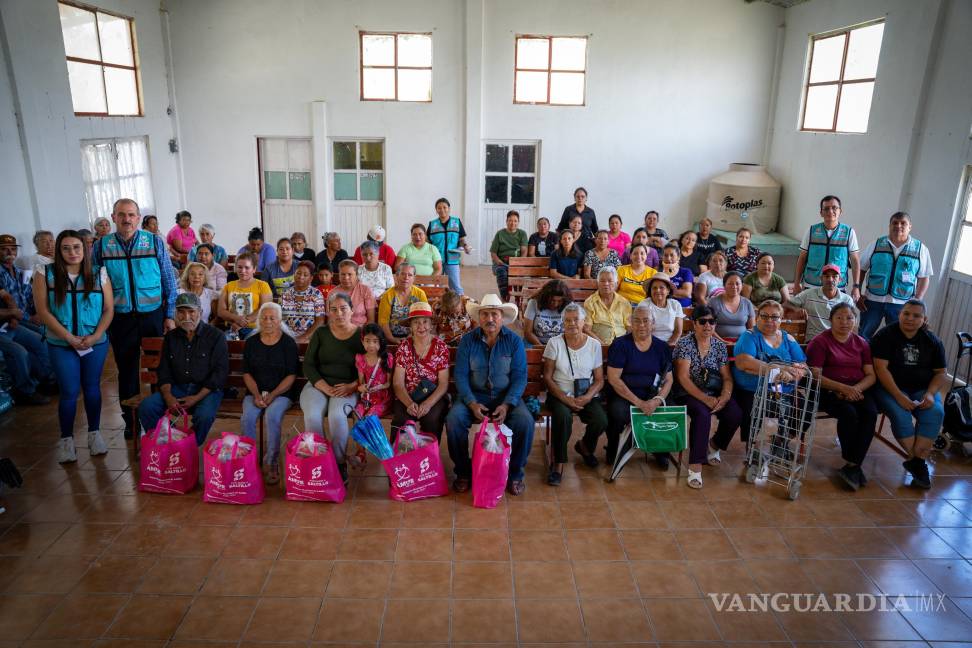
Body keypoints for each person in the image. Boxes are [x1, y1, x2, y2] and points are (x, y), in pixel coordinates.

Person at [93, 199, 178, 435]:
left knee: (159, 369)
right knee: (127, 369)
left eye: (131, 214)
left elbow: (168, 279)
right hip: (121, 318)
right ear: (113, 217)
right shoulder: (101, 246)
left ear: (138, 218)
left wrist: (169, 314)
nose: (127, 219)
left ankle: (161, 417)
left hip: (152, 315)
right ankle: (130, 421)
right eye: (122, 214)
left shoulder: (153, 241)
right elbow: (95, 284)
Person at [32, 230, 114, 462]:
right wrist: (68, 337)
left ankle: (94, 433)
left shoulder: (99, 273)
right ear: (58, 251)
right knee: (68, 391)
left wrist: (96, 335)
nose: (72, 252)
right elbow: (43, 311)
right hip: (61, 343)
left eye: (77, 247)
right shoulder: (45, 273)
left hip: (94, 342)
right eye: (66, 248)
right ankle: (66, 440)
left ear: (85, 249)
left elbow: (108, 309)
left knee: (92, 388)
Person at [446, 294, 532, 495]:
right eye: (485, 314)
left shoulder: (514, 342)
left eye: (494, 314)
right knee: (454, 420)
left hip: (506, 397)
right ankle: (463, 472)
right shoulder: (467, 341)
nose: (490, 319)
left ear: (502, 317)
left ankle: (515, 474)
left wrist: (508, 404)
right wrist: (471, 403)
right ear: (479, 317)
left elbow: (520, 377)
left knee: (525, 422)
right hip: (475, 396)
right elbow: (460, 375)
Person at [711, 300, 807, 459]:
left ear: (781, 319)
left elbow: (802, 364)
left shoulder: (787, 338)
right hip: (752, 389)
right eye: (765, 316)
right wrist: (780, 369)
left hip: (783, 390)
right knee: (752, 408)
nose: (770, 320)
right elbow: (744, 362)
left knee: (805, 407)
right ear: (757, 318)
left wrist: (793, 374)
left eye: (775, 317)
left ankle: (781, 441)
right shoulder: (749, 336)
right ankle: (751, 449)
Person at [870, 299, 948, 489]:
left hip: (923, 388)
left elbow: (940, 373)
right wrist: (898, 396)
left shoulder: (932, 341)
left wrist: (930, 394)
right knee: (900, 414)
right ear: (899, 314)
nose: (910, 319)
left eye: (916, 316)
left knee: (936, 412)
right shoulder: (885, 335)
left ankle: (916, 463)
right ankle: (918, 463)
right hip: (890, 388)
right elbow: (880, 369)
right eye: (906, 314)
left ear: (924, 319)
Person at [137, 292, 227, 446]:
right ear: (176, 314)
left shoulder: (216, 336)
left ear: (200, 312)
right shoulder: (171, 337)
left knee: (204, 415)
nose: (186, 316)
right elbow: (163, 371)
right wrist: (168, 397)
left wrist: (196, 398)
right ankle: (170, 439)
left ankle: (188, 446)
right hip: (177, 389)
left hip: (206, 390)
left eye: (191, 311)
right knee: (147, 407)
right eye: (181, 312)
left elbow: (219, 374)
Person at [806, 303, 877, 490]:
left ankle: (852, 465)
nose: (844, 322)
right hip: (829, 390)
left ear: (855, 321)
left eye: (849, 318)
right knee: (849, 414)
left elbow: (871, 374)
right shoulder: (820, 342)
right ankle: (854, 465)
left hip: (857, 389)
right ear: (831, 320)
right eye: (839, 318)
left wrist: (856, 390)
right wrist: (843, 389)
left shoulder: (862, 343)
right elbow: (815, 376)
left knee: (870, 413)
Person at [300, 292, 365, 485]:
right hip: (318, 385)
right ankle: (318, 461)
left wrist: (352, 386)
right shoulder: (321, 333)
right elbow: (309, 365)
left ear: (352, 310)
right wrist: (325, 387)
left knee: (337, 416)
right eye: (334, 309)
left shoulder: (361, 335)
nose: (339, 313)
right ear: (328, 312)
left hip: (348, 387)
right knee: (312, 415)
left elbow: (369, 367)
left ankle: (338, 464)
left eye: (343, 309)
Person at [673, 306, 740, 488]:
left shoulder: (719, 346)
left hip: (714, 391)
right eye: (702, 321)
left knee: (734, 413)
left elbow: (726, 377)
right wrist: (705, 399)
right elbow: (682, 377)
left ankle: (714, 445)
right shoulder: (685, 343)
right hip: (688, 392)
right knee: (702, 415)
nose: (707, 325)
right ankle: (695, 466)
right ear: (694, 324)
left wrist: (725, 396)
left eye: (711, 322)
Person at [543, 304, 607, 485]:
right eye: (567, 320)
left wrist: (587, 397)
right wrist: (564, 398)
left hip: (585, 395)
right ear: (562, 323)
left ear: (583, 322)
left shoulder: (594, 345)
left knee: (600, 420)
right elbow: (547, 377)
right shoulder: (554, 343)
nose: (572, 324)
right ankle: (559, 462)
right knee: (563, 416)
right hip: (559, 394)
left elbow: (599, 379)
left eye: (575, 320)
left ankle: (585, 447)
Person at [606, 302, 674, 467]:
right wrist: (640, 403)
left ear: (653, 324)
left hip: (653, 394)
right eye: (637, 320)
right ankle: (614, 448)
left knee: (669, 407)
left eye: (646, 320)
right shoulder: (621, 345)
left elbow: (669, 379)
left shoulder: (662, 347)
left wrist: (656, 401)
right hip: (625, 394)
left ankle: (660, 449)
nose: (641, 325)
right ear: (630, 322)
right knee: (618, 411)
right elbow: (614, 378)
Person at [241, 302, 298, 485]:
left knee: (272, 416)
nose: (268, 321)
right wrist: (257, 395)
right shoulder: (251, 342)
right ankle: (248, 460)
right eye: (264, 318)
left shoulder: (288, 343)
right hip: (255, 392)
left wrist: (272, 395)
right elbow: (247, 373)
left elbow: (291, 375)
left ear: (280, 320)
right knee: (248, 418)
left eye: (272, 318)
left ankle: (272, 461)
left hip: (281, 393)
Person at [858, 211, 934, 339]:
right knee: (864, 335)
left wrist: (916, 300)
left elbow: (924, 277)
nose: (898, 226)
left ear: (910, 226)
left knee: (898, 338)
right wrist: (857, 291)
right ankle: (862, 358)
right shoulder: (876, 244)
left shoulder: (920, 249)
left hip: (902, 304)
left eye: (903, 223)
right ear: (889, 225)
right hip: (872, 300)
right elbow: (861, 269)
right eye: (895, 223)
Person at [0, 234, 54, 405]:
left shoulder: (19, 271)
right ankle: (26, 391)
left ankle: (47, 379)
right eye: (4, 248)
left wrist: (37, 312)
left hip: (20, 320)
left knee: (42, 339)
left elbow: (30, 295)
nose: (10, 251)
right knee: (20, 352)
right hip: (5, 324)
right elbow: (9, 304)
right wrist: (22, 316)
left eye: (13, 248)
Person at [392, 302, 451, 441]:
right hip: (408, 395)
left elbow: (443, 384)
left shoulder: (440, 347)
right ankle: (400, 460)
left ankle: (429, 459)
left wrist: (428, 403)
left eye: (425, 322)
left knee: (431, 419)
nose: (421, 326)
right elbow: (398, 383)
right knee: (401, 420)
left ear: (431, 325)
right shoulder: (404, 347)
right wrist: (408, 403)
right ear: (410, 327)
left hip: (433, 396)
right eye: (416, 322)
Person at [793, 195, 861, 299]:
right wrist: (797, 283)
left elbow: (855, 260)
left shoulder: (849, 232)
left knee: (836, 315)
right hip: (812, 284)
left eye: (834, 208)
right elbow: (802, 258)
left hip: (836, 286)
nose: (830, 211)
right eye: (826, 208)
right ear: (821, 213)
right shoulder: (811, 231)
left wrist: (856, 286)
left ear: (840, 211)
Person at [784, 264, 854, 342]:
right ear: (821, 278)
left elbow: (851, 323)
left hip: (836, 341)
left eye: (834, 276)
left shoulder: (847, 300)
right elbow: (786, 304)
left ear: (840, 279)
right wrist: (796, 309)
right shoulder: (808, 294)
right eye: (826, 276)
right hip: (814, 340)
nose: (830, 279)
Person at [217, 252, 272, 338]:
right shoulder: (228, 286)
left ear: (254, 269)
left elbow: (265, 309)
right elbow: (221, 311)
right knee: (223, 341)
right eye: (239, 267)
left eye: (247, 268)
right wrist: (236, 319)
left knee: (251, 344)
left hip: (254, 329)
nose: (243, 271)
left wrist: (242, 322)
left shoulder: (263, 285)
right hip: (232, 328)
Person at [427, 197, 471, 294]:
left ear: (449, 208)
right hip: (436, 260)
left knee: (456, 287)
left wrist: (466, 246)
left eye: (444, 207)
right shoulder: (432, 224)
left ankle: (459, 306)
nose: (442, 210)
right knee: (435, 286)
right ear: (436, 210)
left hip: (453, 260)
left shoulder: (456, 222)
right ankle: (436, 306)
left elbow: (461, 239)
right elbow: (428, 243)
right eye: (439, 208)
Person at [378, 263, 428, 344]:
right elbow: (383, 321)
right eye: (403, 274)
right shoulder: (388, 295)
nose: (406, 278)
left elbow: (425, 319)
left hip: (416, 336)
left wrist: (412, 336)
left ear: (414, 278)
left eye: (410, 275)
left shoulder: (420, 294)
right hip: (391, 337)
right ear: (397, 276)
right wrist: (392, 339)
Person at [279, 260, 326, 343]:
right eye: (298, 273)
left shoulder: (316, 294)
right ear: (294, 275)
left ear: (311, 278)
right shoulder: (285, 293)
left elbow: (320, 321)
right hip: (286, 337)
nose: (301, 277)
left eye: (305, 275)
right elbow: (279, 319)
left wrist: (304, 337)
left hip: (309, 337)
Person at [583, 266, 632, 345]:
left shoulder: (624, 303)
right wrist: (601, 345)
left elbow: (629, 327)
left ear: (616, 283)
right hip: (599, 345)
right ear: (598, 283)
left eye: (610, 281)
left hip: (621, 345)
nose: (606, 284)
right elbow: (586, 329)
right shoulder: (590, 303)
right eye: (602, 281)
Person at [355, 323, 394, 418]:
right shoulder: (360, 358)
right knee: (356, 414)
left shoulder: (388, 358)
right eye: (367, 341)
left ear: (381, 342)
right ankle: (359, 433)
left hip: (383, 399)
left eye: (375, 341)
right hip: (367, 398)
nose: (371, 345)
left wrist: (377, 387)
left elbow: (388, 383)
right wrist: (361, 388)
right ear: (362, 341)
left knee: (369, 417)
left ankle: (369, 433)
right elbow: (361, 383)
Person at [489, 210, 528, 299]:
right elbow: (493, 252)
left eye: (515, 221)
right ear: (506, 221)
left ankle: (518, 298)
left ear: (518, 222)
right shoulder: (500, 234)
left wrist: (519, 263)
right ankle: (505, 298)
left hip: (516, 263)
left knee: (519, 275)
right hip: (501, 263)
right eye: (510, 220)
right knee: (501, 272)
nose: (512, 223)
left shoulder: (522, 234)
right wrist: (498, 261)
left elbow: (524, 251)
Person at [708, 272, 755, 340]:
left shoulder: (747, 303)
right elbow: (708, 327)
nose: (734, 286)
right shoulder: (713, 302)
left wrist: (743, 342)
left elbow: (751, 329)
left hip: (742, 342)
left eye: (737, 283)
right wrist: (722, 342)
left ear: (742, 285)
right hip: (717, 341)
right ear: (724, 285)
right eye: (730, 283)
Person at [640, 273, 684, 346]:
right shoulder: (644, 304)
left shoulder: (675, 305)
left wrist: (669, 345)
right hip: (648, 344)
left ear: (668, 290)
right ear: (650, 291)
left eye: (662, 287)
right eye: (654, 288)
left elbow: (678, 331)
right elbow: (642, 331)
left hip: (670, 344)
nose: (658, 290)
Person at [523, 279, 571, 346]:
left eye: (559, 301)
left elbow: (572, 332)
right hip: (536, 342)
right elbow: (528, 332)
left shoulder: (569, 306)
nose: (555, 304)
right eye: (552, 300)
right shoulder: (533, 303)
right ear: (545, 297)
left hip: (561, 344)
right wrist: (542, 347)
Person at [333, 259, 376, 327]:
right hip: (340, 330)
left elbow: (371, 320)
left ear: (356, 275)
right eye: (343, 274)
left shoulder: (366, 290)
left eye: (350, 274)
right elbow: (331, 320)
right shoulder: (333, 293)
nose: (346, 278)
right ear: (339, 275)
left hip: (361, 330)